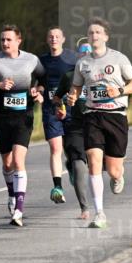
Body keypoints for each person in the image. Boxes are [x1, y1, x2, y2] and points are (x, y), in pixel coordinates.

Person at [68, 17, 132, 229]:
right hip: (93, 114)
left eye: (98, 32)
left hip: (116, 115)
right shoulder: (83, 63)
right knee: (93, 160)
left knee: (114, 169)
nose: (94, 35)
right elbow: (76, 87)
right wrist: (73, 97)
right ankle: (99, 213)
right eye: (91, 32)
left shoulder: (118, 59)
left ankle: (118, 176)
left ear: (106, 36)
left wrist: (119, 90)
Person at [0, 24, 44, 227]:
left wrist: (37, 90)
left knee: (19, 161)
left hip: (24, 117)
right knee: (7, 163)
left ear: (18, 40)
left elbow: (43, 78)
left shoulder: (31, 60)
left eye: (9, 39)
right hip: (2, 117)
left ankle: (19, 210)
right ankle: (12, 195)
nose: (5, 43)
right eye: (2, 39)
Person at [53, 40, 93, 219]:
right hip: (76, 124)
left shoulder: (102, 75)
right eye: (82, 54)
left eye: (89, 54)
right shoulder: (69, 76)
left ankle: (117, 174)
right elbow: (56, 97)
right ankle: (84, 208)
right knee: (79, 165)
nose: (85, 57)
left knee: (108, 165)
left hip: (99, 122)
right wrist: (60, 106)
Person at [38, 26, 76, 205]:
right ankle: (57, 188)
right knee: (55, 148)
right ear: (47, 40)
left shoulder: (72, 58)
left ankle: (71, 166)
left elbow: (80, 79)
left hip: (70, 108)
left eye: (57, 36)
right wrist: (37, 91)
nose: (53, 39)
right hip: (50, 109)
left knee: (70, 148)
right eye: (50, 36)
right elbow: (40, 83)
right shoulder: (42, 60)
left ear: (63, 39)